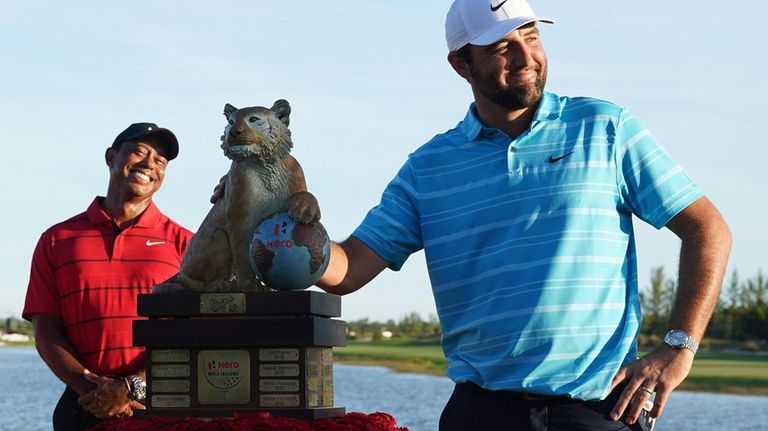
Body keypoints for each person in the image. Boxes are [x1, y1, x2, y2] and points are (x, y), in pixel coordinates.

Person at [316, 0, 732, 430]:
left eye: (531, 37)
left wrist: (679, 348)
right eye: (501, 47)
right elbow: (349, 268)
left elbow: (707, 229)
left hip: (598, 412)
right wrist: (284, 235)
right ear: (461, 64)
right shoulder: (428, 168)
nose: (525, 57)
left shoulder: (605, 128)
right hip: (480, 413)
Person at [23, 123, 193, 430]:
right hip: (83, 404)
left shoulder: (187, 245)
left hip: (161, 407)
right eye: (139, 152)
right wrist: (92, 392)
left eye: (160, 162)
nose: (148, 164)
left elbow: (195, 336)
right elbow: (45, 329)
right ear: (111, 157)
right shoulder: (56, 239)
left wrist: (131, 387)